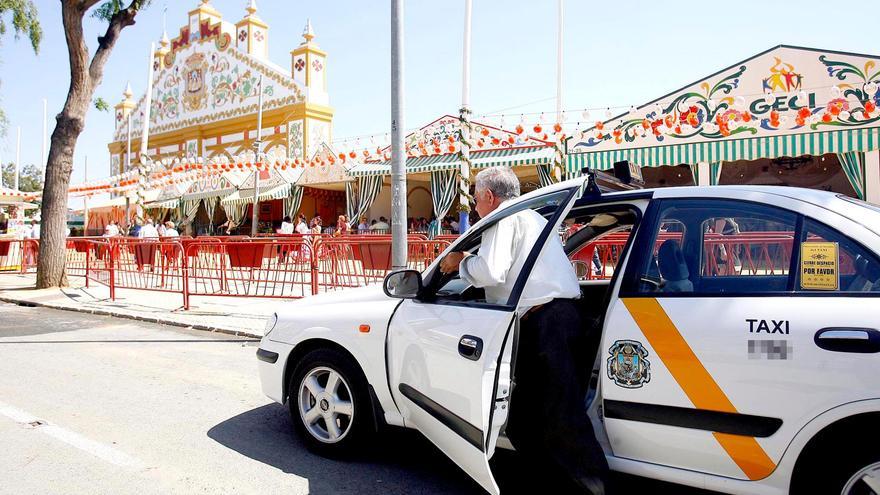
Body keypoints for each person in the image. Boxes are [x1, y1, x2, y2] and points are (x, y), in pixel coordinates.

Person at [438, 167, 608, 495]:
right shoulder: (532, 218)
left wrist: (458, 262)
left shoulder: (503, 216)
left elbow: (490, 270)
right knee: (527, 418)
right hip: (557, 317)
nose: (475, 207)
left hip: (546, 322)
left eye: (476, 199)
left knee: (561, 418)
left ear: (490, 196)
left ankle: (596, 488)